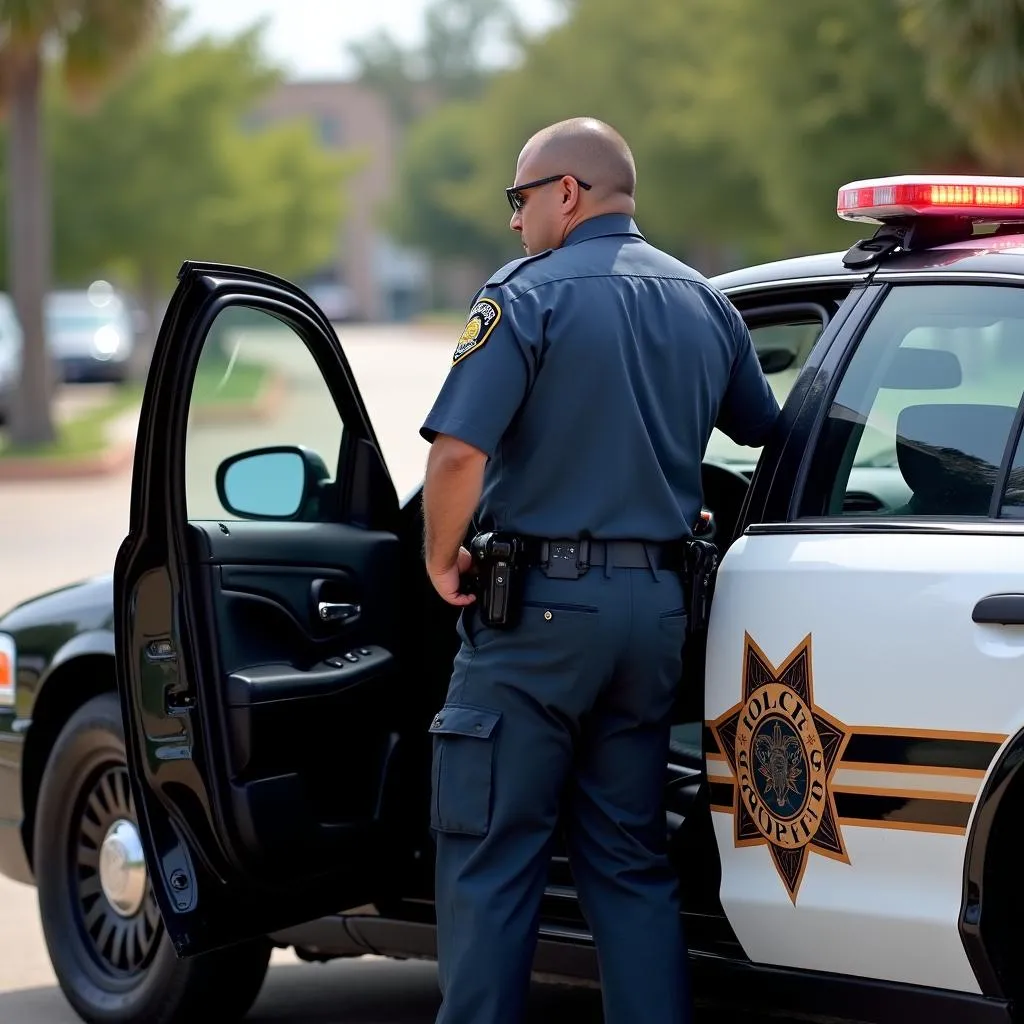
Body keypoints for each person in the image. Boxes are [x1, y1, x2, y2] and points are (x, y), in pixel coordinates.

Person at [419, 116, 780, 1024]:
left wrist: (438, 556)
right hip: (656, 618)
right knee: (627, 861)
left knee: (492, 858)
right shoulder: (705, 302)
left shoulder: (524, 295)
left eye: (520, 199)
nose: (514, 223)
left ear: (567, 193)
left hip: (536, 620)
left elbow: (459, 454)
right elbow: (766, 432)